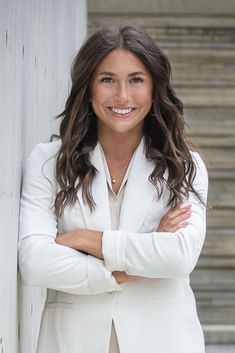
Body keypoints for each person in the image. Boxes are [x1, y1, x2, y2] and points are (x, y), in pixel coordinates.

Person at [19, 25, 208, 353]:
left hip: (164, 341)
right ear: (89, 88)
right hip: (71, 342)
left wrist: (86, 241)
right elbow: (35, 263)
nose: (122, 96)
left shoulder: (183, 165)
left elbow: (179, 257)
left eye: (136, 80)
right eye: (107, 79)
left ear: (153, 88)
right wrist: (123, 271)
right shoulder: (48, 162)